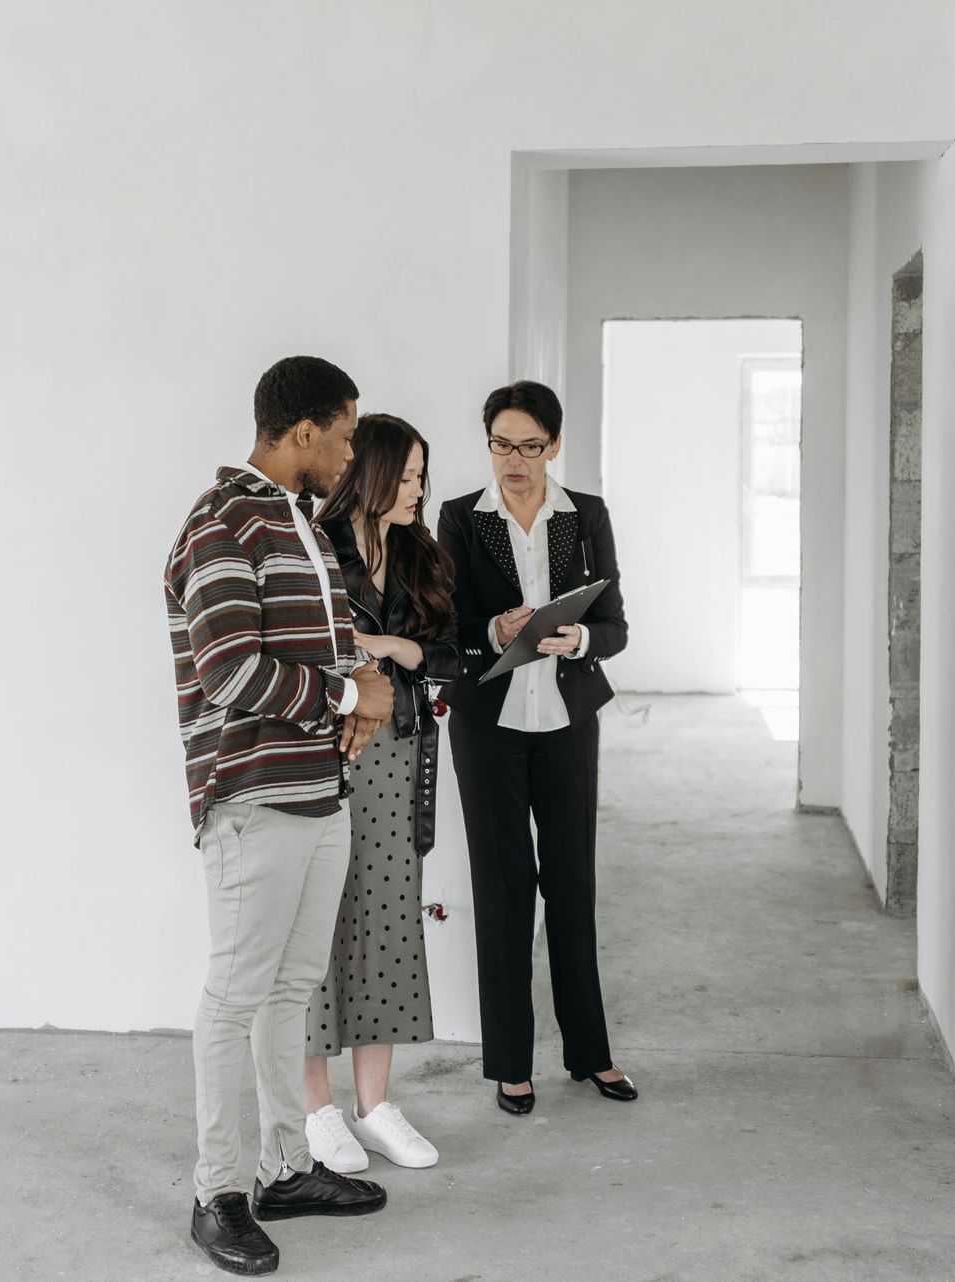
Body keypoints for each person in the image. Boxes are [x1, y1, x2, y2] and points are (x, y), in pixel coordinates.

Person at [164, 355, 395, 1277]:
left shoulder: (298, 522)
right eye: (344, 433)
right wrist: (350, 698)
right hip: (253, 799)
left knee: (290, 992)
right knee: (235, 997)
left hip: (317, 797)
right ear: (302, 430)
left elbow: (330, 654)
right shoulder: (221, 525)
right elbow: (230, 672)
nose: (350, 452)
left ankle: (283, 1169)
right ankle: (217, 1194)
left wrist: (363, 684)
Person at [435, 379, 638, 1116]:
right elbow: (444, 622)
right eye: (500, 445)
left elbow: (614, 623)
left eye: (528, 446)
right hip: (487, 727)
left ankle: (591, 1054)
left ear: (553, 445)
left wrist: (577, 636)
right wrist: (491, 631)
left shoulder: (585, 516)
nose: (513, 461)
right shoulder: (459, 518)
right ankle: (512, 1066)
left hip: (566, 723)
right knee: (503, 893)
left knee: (571, 887)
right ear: (488, 444)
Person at [300, 414, 459, 1173]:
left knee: (388, 922)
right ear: (369, 473)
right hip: (325, 753)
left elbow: (452, 656)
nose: (417, 489)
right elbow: (306, 648)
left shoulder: (420, 553)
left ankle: (375, 1106)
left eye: (422, 476)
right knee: (316, 933)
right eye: (405, 475)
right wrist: (375, 661)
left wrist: (399, 647)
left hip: (398, 759)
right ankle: (318, 1113)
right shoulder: (314, 546)